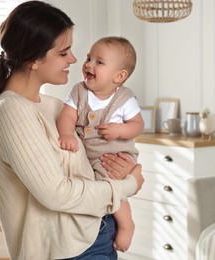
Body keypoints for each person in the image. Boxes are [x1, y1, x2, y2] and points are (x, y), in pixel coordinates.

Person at [0, 1, 144, 260]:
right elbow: (57, 194)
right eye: (63, 52)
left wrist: (124, 168)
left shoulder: (54, 107)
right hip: (69, 250)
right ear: (34, 59)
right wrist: (127, 185)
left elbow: (91, 161)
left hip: (94, 234)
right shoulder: (11, 111)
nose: (74, 59)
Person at [56, 36, 144, 252]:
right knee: (95, 184)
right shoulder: (79, 91)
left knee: (110, 185)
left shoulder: (124, 98)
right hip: (89, 155)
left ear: (119, 76)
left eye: (99, 62)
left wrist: (120, 130)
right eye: (89, 58)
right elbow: (67, 116)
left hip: (116, 154)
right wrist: (66, 133)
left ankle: (126, 225)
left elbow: (137, 125)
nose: (88, 64)